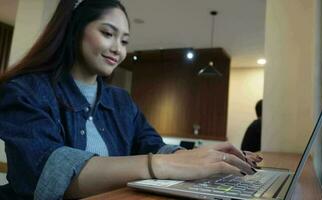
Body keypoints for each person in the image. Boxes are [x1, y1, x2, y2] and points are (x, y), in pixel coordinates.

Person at [0, 0, 262, 199]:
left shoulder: (121, 101)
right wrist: (160, 164)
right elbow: (45, 173)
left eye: (124, 41)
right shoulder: (25, 90)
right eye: (108, 33)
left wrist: (198, 158)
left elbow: (150, 143)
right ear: (74, 30)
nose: (118, 49)